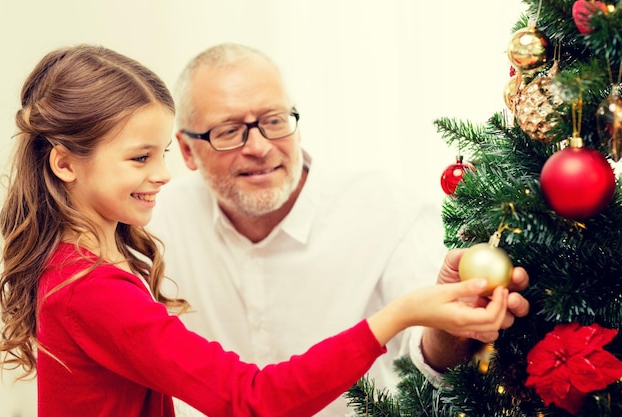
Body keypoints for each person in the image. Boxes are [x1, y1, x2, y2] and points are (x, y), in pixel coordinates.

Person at [0, 44, 515, 417]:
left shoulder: (82, 266)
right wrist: (396, 315)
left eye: (273, 120)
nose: (162, 173)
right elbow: (254, 400)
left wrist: (436, 315)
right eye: (140, 157)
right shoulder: (95, 286)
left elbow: (434, 369)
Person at [146, 42, 530, 417]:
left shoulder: (388, 208)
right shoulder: (155, 222)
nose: (260, 147)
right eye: (229, 131)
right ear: (186, 150)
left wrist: (452, 323)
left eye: (275, 121)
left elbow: (427, 360)